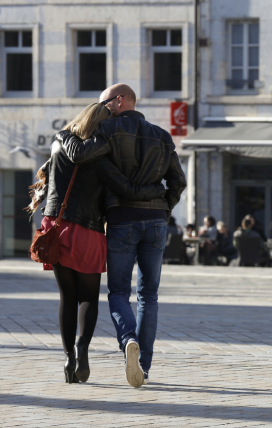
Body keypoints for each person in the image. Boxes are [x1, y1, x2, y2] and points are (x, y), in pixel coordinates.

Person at [58, 83, 186, 388]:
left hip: (121, 219)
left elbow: (83, 157)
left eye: (104, 103)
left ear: (118, 101)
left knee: (118, 292)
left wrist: (65, 135)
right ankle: (144, 365)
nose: (101, 109)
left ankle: (128, 339)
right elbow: (178, 182)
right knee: (149, 295)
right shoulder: (162, 135)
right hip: (156, 221)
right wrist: (163, 209)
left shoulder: (108, 130)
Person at [28, 102, 166, 384]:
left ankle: (68, 358)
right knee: (88, 298)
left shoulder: (58, 144)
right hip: (89, 231)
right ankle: (82, 349)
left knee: (67, 297)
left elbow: (48, 180)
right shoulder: (102, 154)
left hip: (56, 226)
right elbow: (119, 187)